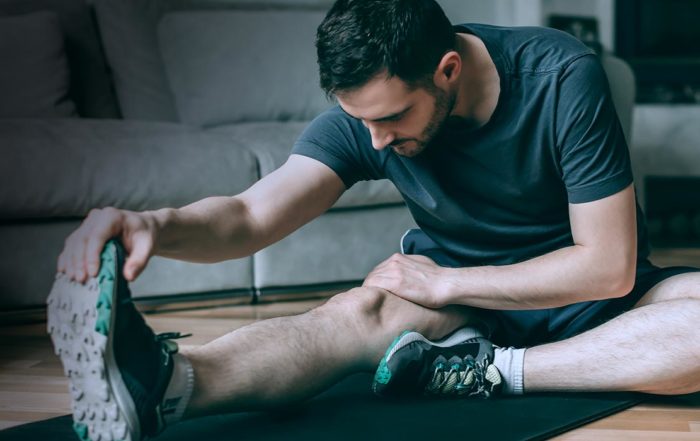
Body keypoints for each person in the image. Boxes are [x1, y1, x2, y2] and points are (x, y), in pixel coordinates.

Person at [48, 0, 700, 440]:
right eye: (362, 120)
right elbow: (251, 213)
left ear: (448, 71)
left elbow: (607, 266)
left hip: (590, 297)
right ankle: (166, 384)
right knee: (352, 314)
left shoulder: (562, 77)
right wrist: (154, 226)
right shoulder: (371, 112)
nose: (376, 140)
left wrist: (449, 282)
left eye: (391, 118)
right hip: (458, 306)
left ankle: (490, 369)